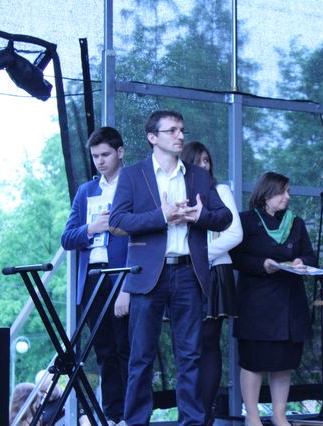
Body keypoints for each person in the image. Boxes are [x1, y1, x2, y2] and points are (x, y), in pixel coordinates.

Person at [109, 110, 232, 426]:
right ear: (152, 137)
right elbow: (118, 220)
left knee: (190, 355)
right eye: (172, 130)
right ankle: (136, 421)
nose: (180, 135)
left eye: (182, 130)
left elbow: (225, 218)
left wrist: (200, 217)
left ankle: (191, 422)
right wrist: (161, 216)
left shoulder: (198, 176)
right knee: (141, 356)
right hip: (148, 274)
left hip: (189, 273)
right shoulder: (133, 175)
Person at [230, 171, 316, 426]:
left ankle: (279, 415)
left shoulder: (296, 223)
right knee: (254, 362)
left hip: (290, 303)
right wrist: (262, 265)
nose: (287, 197)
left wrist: (301, 261)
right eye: (282, 192)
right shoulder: (246, 221)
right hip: (256, 304)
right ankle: (252, 416)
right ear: (266, 194)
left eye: (288, 192)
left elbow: (310, 256)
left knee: (283, 362)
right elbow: (235, 257)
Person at [60, 126, 130, 425]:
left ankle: (132, 414)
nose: (100, 161)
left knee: (127, 347)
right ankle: (113, 415)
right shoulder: (86, 191)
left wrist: (130, 283)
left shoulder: (135, 185)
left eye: (105, 155)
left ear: (120, 152)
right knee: (103, 349)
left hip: (123, 275)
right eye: (95, 156)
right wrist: (92, 228)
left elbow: (145, 236)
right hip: (92, 276)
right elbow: (67, 238)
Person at [180, 141, 243, 425]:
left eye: (207, 160)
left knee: (208, 342)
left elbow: (235, 234)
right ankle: (189, 413)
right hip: (183, 274)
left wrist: (199, 255)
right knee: (187, 345)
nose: (204, 166)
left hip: (215, 271)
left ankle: (205, 414)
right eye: (197, 162)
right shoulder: (176, 193)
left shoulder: (220, 190)